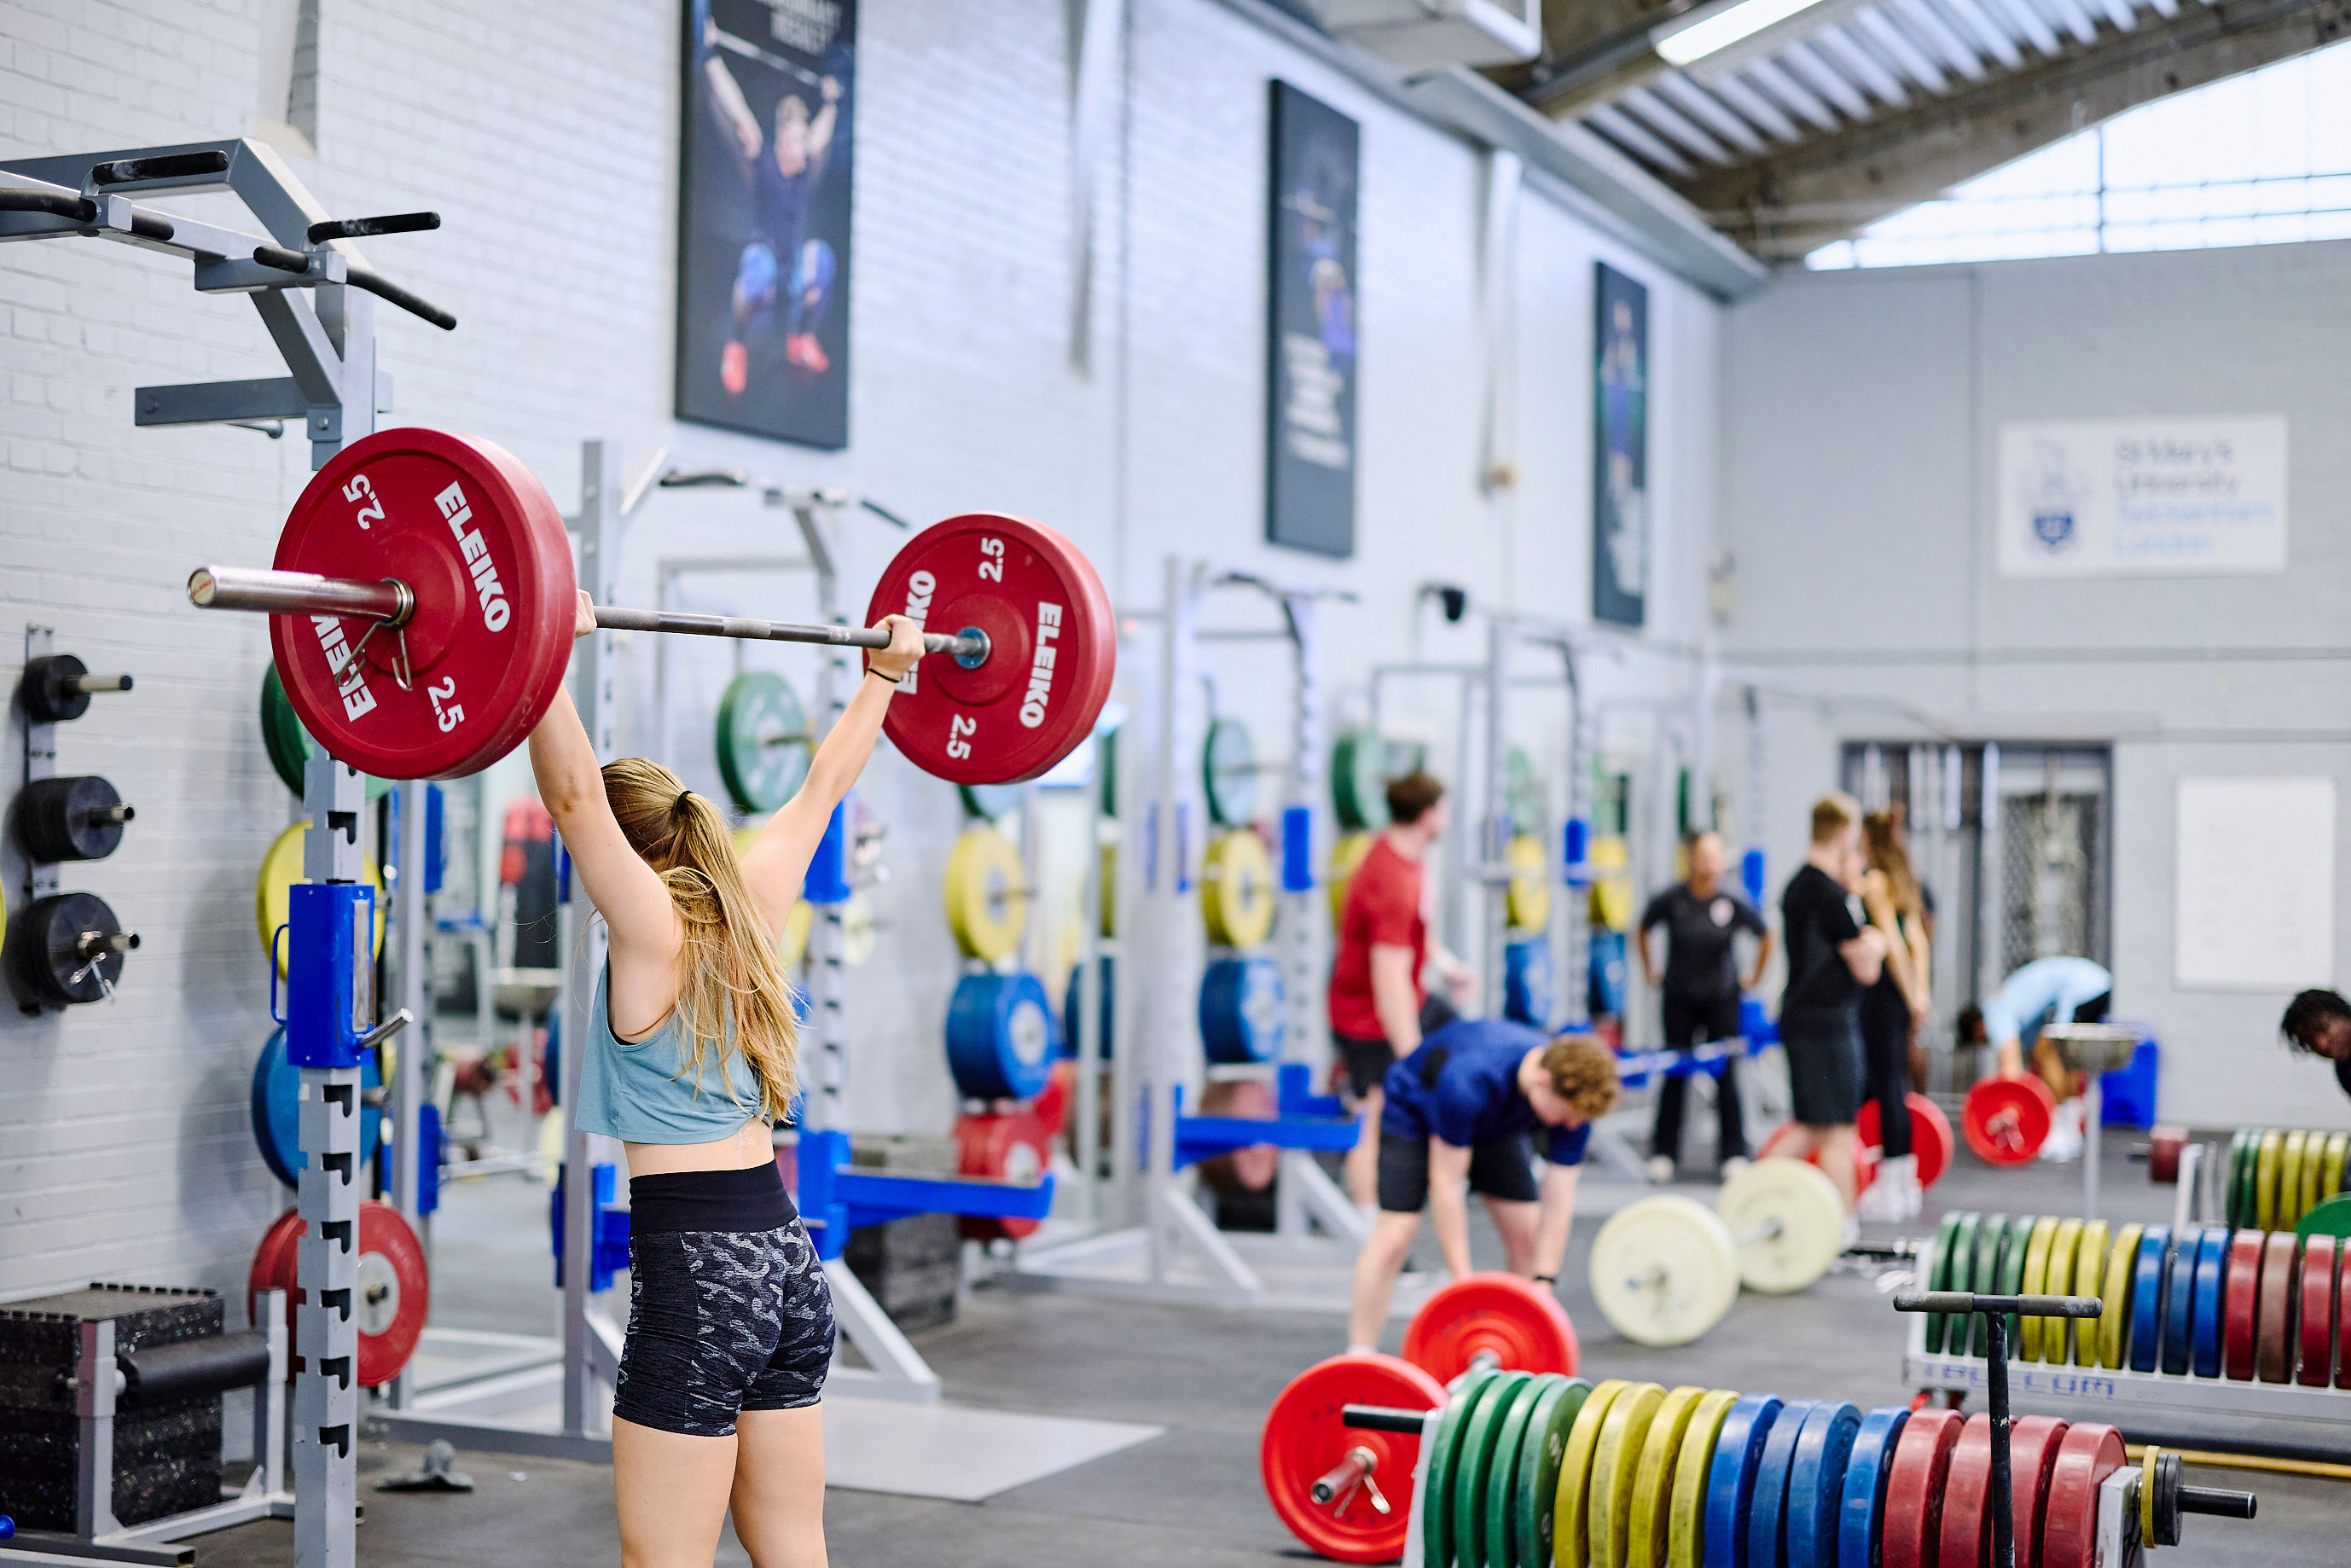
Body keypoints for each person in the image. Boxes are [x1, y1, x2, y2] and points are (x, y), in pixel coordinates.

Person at [531, 588, 924, 1568]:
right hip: (785, 1259)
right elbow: (823, 787)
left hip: (699, 1272)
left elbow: (574, 796)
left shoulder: (648, 930)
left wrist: (536, 657)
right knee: (793, 1543)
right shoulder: (752, 903)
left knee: (660, 1558)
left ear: (628, 851)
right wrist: (886, 672)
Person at [1345, 1020, 1619, 1352]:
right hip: (1415, 1109)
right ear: (1543, 1081)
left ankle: (1509, 1347)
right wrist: (1462, 1282)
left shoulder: (1573, 1106)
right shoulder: (1469, 1079)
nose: (1571, 1126)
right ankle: (1360, 1354)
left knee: (1529, 1239)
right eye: (1566, 1115)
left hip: (1497, 1126)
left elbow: (1559, 1197)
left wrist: (1543, 1282)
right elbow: (1446, 1184)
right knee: (1395, 1235)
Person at [1327, 770, 1477, 1209]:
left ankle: (1461, 1167)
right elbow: (1387, 974)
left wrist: (1448, 967)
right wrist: (1409, 1052)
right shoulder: (1391, 877)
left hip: (1401, 1000)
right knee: (1374, 1115)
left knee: (1463, 1042)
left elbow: (1413, 935)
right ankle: (1371, 1226)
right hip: (1367, 1017)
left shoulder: (1406, 859)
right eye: (1446, 809)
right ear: (1429, 815)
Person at [700, 16, 843, 393]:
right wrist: (712, 55)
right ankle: (736, 345)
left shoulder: (803, 168)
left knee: (822, 257)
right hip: (764, 268)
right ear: (782, 137)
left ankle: (802, 340)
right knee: (758, 265)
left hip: (792, 269)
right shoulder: (761, 158)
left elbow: (820, 138)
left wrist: (831, 102)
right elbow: (736, 111)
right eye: (797, 139)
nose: (803, 147)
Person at [1636, 830, 1772, 1183]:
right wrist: (1651, 970)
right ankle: (1664, 1153)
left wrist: (1753, 978)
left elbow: (1766, 934)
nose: (1710, 863)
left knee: (1727, 1074)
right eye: (1703, 855)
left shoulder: (1733, 899)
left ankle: (1733, 1153)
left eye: (1716, 855)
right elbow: (1643, 928)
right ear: (1691, 859)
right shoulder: (1672, 898)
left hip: (1722, 1000)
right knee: (1675, 1073)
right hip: (1679, 998)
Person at [1773, 793, 1889, 1210]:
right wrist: (1877, 941)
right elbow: (1867, 969)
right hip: (1822, 1023)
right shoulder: (1823, 893)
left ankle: (1753, 1203)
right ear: (1844, 834)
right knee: (1836, 1130)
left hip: (1817, 1020)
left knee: (1818, 1128)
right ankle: (1840, 1228)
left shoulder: (1804, 886)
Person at [1956, 955, 2112, 1164]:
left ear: (1978, 1029)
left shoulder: (1995, 1014)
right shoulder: (2015, 1007)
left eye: (1982, 1041)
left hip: (2083, 990)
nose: (1988, 1044)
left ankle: (2061, 1135)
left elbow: (2011, 1067)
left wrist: (2010, 1110)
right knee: (2055, 1055)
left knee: (2053, 1056)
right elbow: (2032, 1053)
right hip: (2097, 985)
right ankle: (2070, 1134)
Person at [1855, 811, 1932, 1219]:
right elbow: (1919, 942)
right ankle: (1903, 1185)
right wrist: (1922, 993)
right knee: (1891, 1084)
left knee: (1886, 1087)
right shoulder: (1904, 878)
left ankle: (1892, 1186)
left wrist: (1911, 995)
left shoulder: (1876, 882)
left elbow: (1896, 946)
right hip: (1901, 995)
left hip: (1884, 994)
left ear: (1867, 837)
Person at [2281, 990, 2351, 1102]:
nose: (2322, 1044)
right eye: (2311, 1042)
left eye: (2324, 1029)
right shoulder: (2344, 1071)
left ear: (2345, 1015)